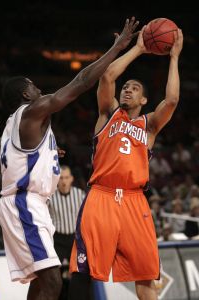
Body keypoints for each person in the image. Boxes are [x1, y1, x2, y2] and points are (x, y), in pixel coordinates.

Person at [0, 17, 140, 300]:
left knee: (40, 281)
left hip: (22, 204)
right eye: (34, 86)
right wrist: (116, 47)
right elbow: (81, 81)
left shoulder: (10, 129)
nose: (39, 90)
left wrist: (43, 157)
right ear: (26, 94)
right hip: (25, 204)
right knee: (52, 283)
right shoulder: (35, 110)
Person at [69, 26, 183, 300]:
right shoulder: (108, 114)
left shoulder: (149, 126)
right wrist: (139, 48)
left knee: (145, 274)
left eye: (134, 89)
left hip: (135, 201)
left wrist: (174, 58)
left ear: (144, 100)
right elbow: (108, 75)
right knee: (83, 271)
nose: (128, 91)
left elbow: (172, 100)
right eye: (126, 88)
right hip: (102, 196)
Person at [48, 165, 86, 300]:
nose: (64, 181)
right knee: (53, 277)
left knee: (79, 274)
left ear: (71, 179)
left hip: (74, 239)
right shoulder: (50, 197)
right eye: (61, 178)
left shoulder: (80, 194)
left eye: (66, 178)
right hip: (57, 240)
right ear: (57, 180)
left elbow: (87, 217)